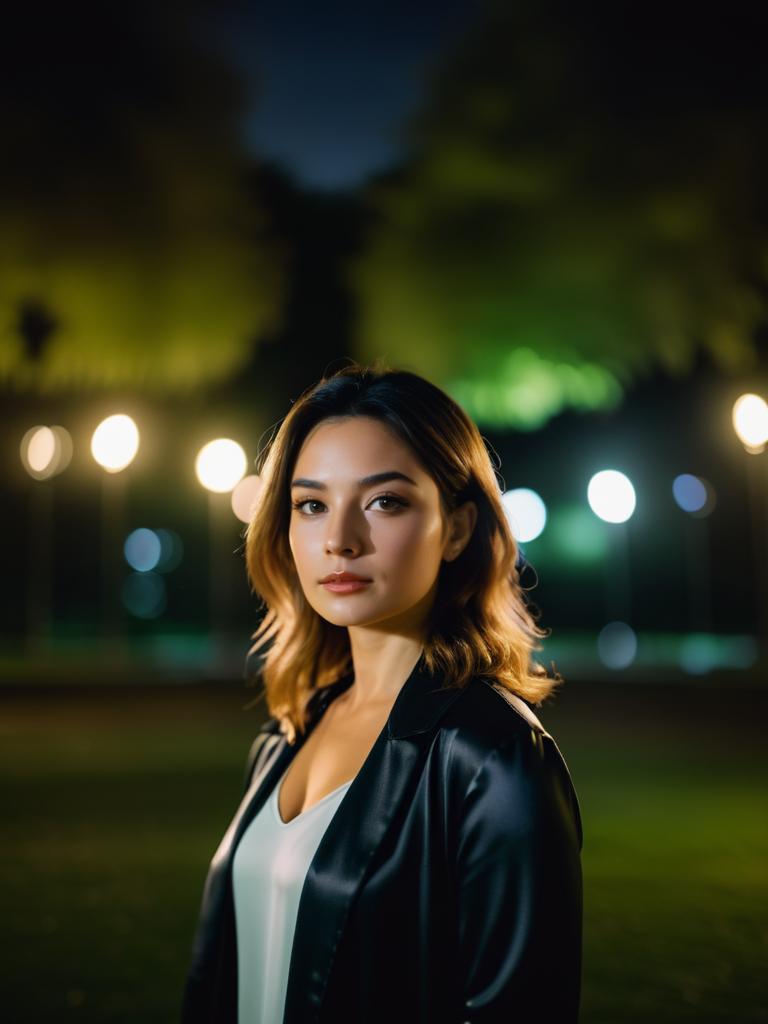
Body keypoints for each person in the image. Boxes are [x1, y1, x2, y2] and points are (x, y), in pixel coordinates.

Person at [180, 362, 583, 1024]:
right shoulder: (288, 730)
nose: (339, 540)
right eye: (312, 504)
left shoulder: (495, 759)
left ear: (455, 528)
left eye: (384, 501)